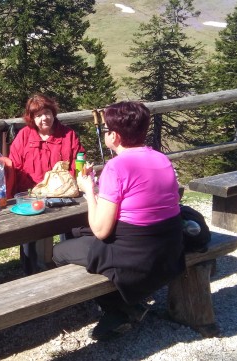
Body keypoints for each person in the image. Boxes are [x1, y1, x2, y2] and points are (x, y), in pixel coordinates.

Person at [52, 101, 185, 341]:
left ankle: (119, 307)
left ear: (114, 136)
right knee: (78, 233)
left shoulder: (116, 167)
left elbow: (102, 231)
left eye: (105, 130)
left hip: (136, 256)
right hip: (169, 247)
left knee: (59, 252)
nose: (105, 133)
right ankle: (123, 303)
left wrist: (89, 191)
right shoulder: (161, 159)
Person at [9, 94, 85, 275]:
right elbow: (15, 167)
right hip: (31, 195)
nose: (44, 118)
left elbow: (77, 162)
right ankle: (30, 272)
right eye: (38, 115)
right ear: (32, 118)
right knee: (28, 235)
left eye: (48, 112)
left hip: (63, 195)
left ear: (54, 113)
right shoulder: (23, 137)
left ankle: (69, 270)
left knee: (69, 228)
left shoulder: (68, 135)